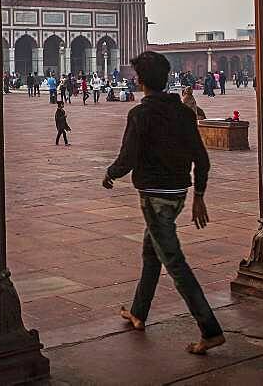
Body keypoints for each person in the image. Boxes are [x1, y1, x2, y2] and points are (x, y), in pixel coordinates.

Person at [102, 51, 224, 355]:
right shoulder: (184, 112)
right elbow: (202, 158)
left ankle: (210, 329)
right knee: (151, 253)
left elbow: (128, 158)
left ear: (140, 81)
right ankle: (138, 313)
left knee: (175, 262)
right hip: (178, 194)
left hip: (154, 196)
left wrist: (110, 173)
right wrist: (199, 196)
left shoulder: (140, 115)